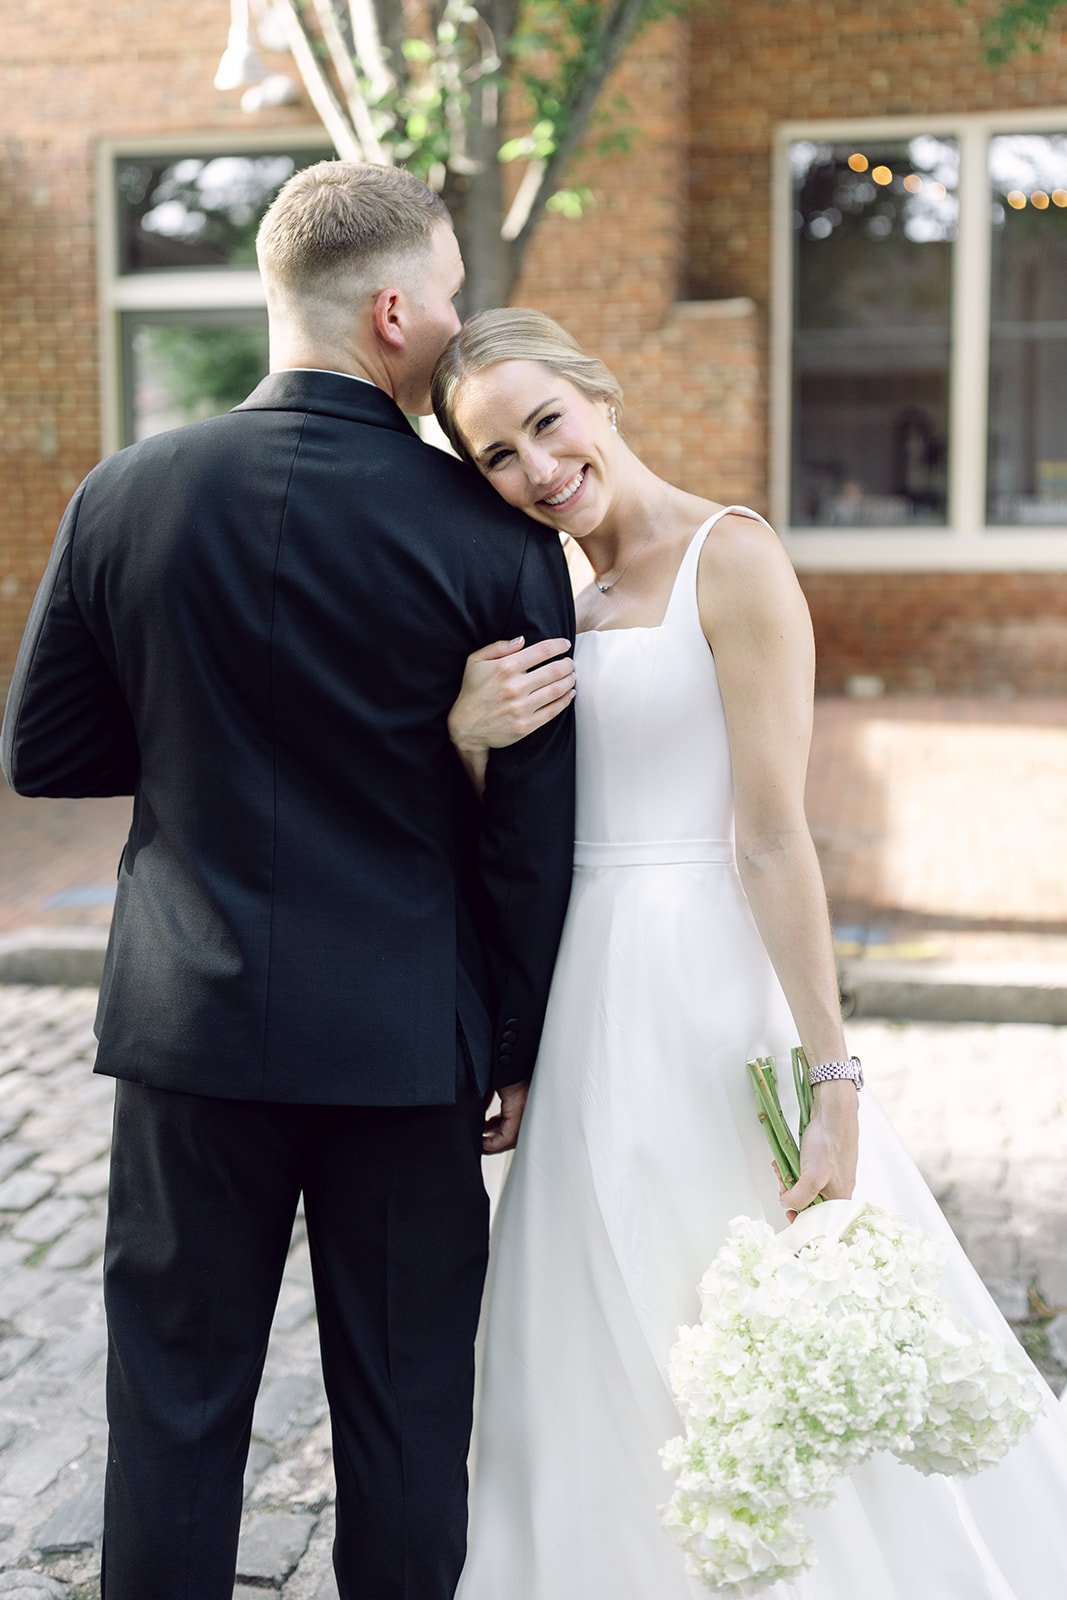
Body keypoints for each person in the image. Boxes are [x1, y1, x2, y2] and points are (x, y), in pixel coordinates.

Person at [0, 167, 577, 1600]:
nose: (455, 320)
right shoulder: (494, 537)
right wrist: (513, 1040)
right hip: (402, 1043)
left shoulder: (123, 492)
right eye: (445, 293)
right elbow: (530, 833)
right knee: (401, 1426)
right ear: (392, 311)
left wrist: (208, 740)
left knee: (175, 1417)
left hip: (189, 1038)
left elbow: (46, 748)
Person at [433, 308, 1067, 1599]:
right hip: (574, 1000)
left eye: (546, 423)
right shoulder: (546, 590)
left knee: (744, 1318)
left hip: (704, 996)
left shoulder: (733, 557)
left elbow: (776, 840)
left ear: (599, 394)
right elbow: (512, 842)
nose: (538, 469)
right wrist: (464, 734)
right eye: (497, 456)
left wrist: (835, 1086)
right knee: (580, 1334)